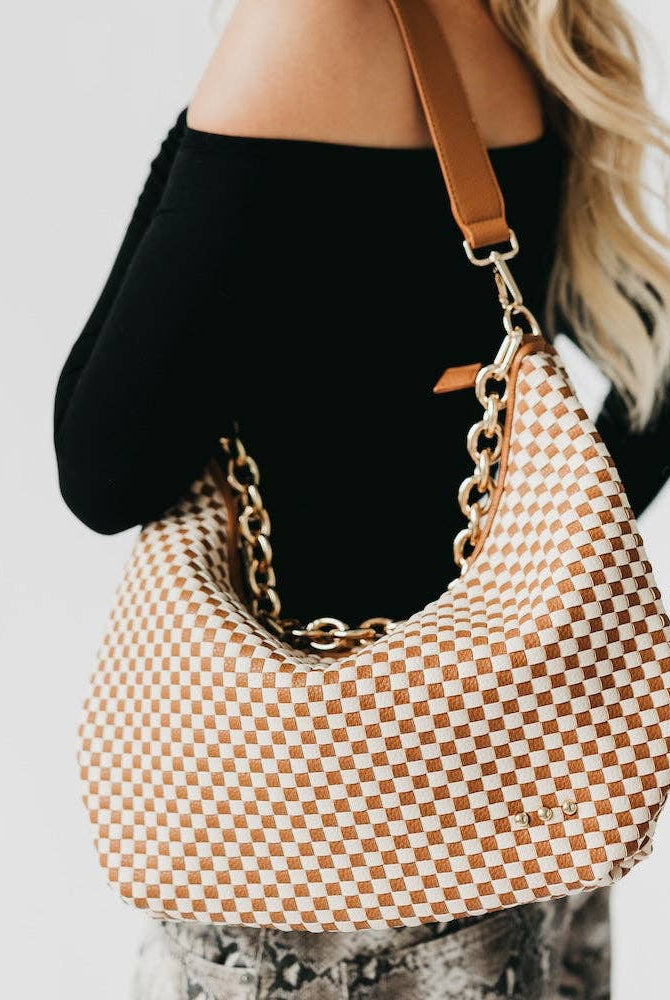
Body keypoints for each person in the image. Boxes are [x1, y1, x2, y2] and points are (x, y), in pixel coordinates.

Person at [54, 1, 670, 997]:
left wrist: (205, 125)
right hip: (512, 782)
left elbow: (101, 465)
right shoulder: (520, 24)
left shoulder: (316, 19)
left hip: (317, 816)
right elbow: (653, 348)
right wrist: (537, 582)